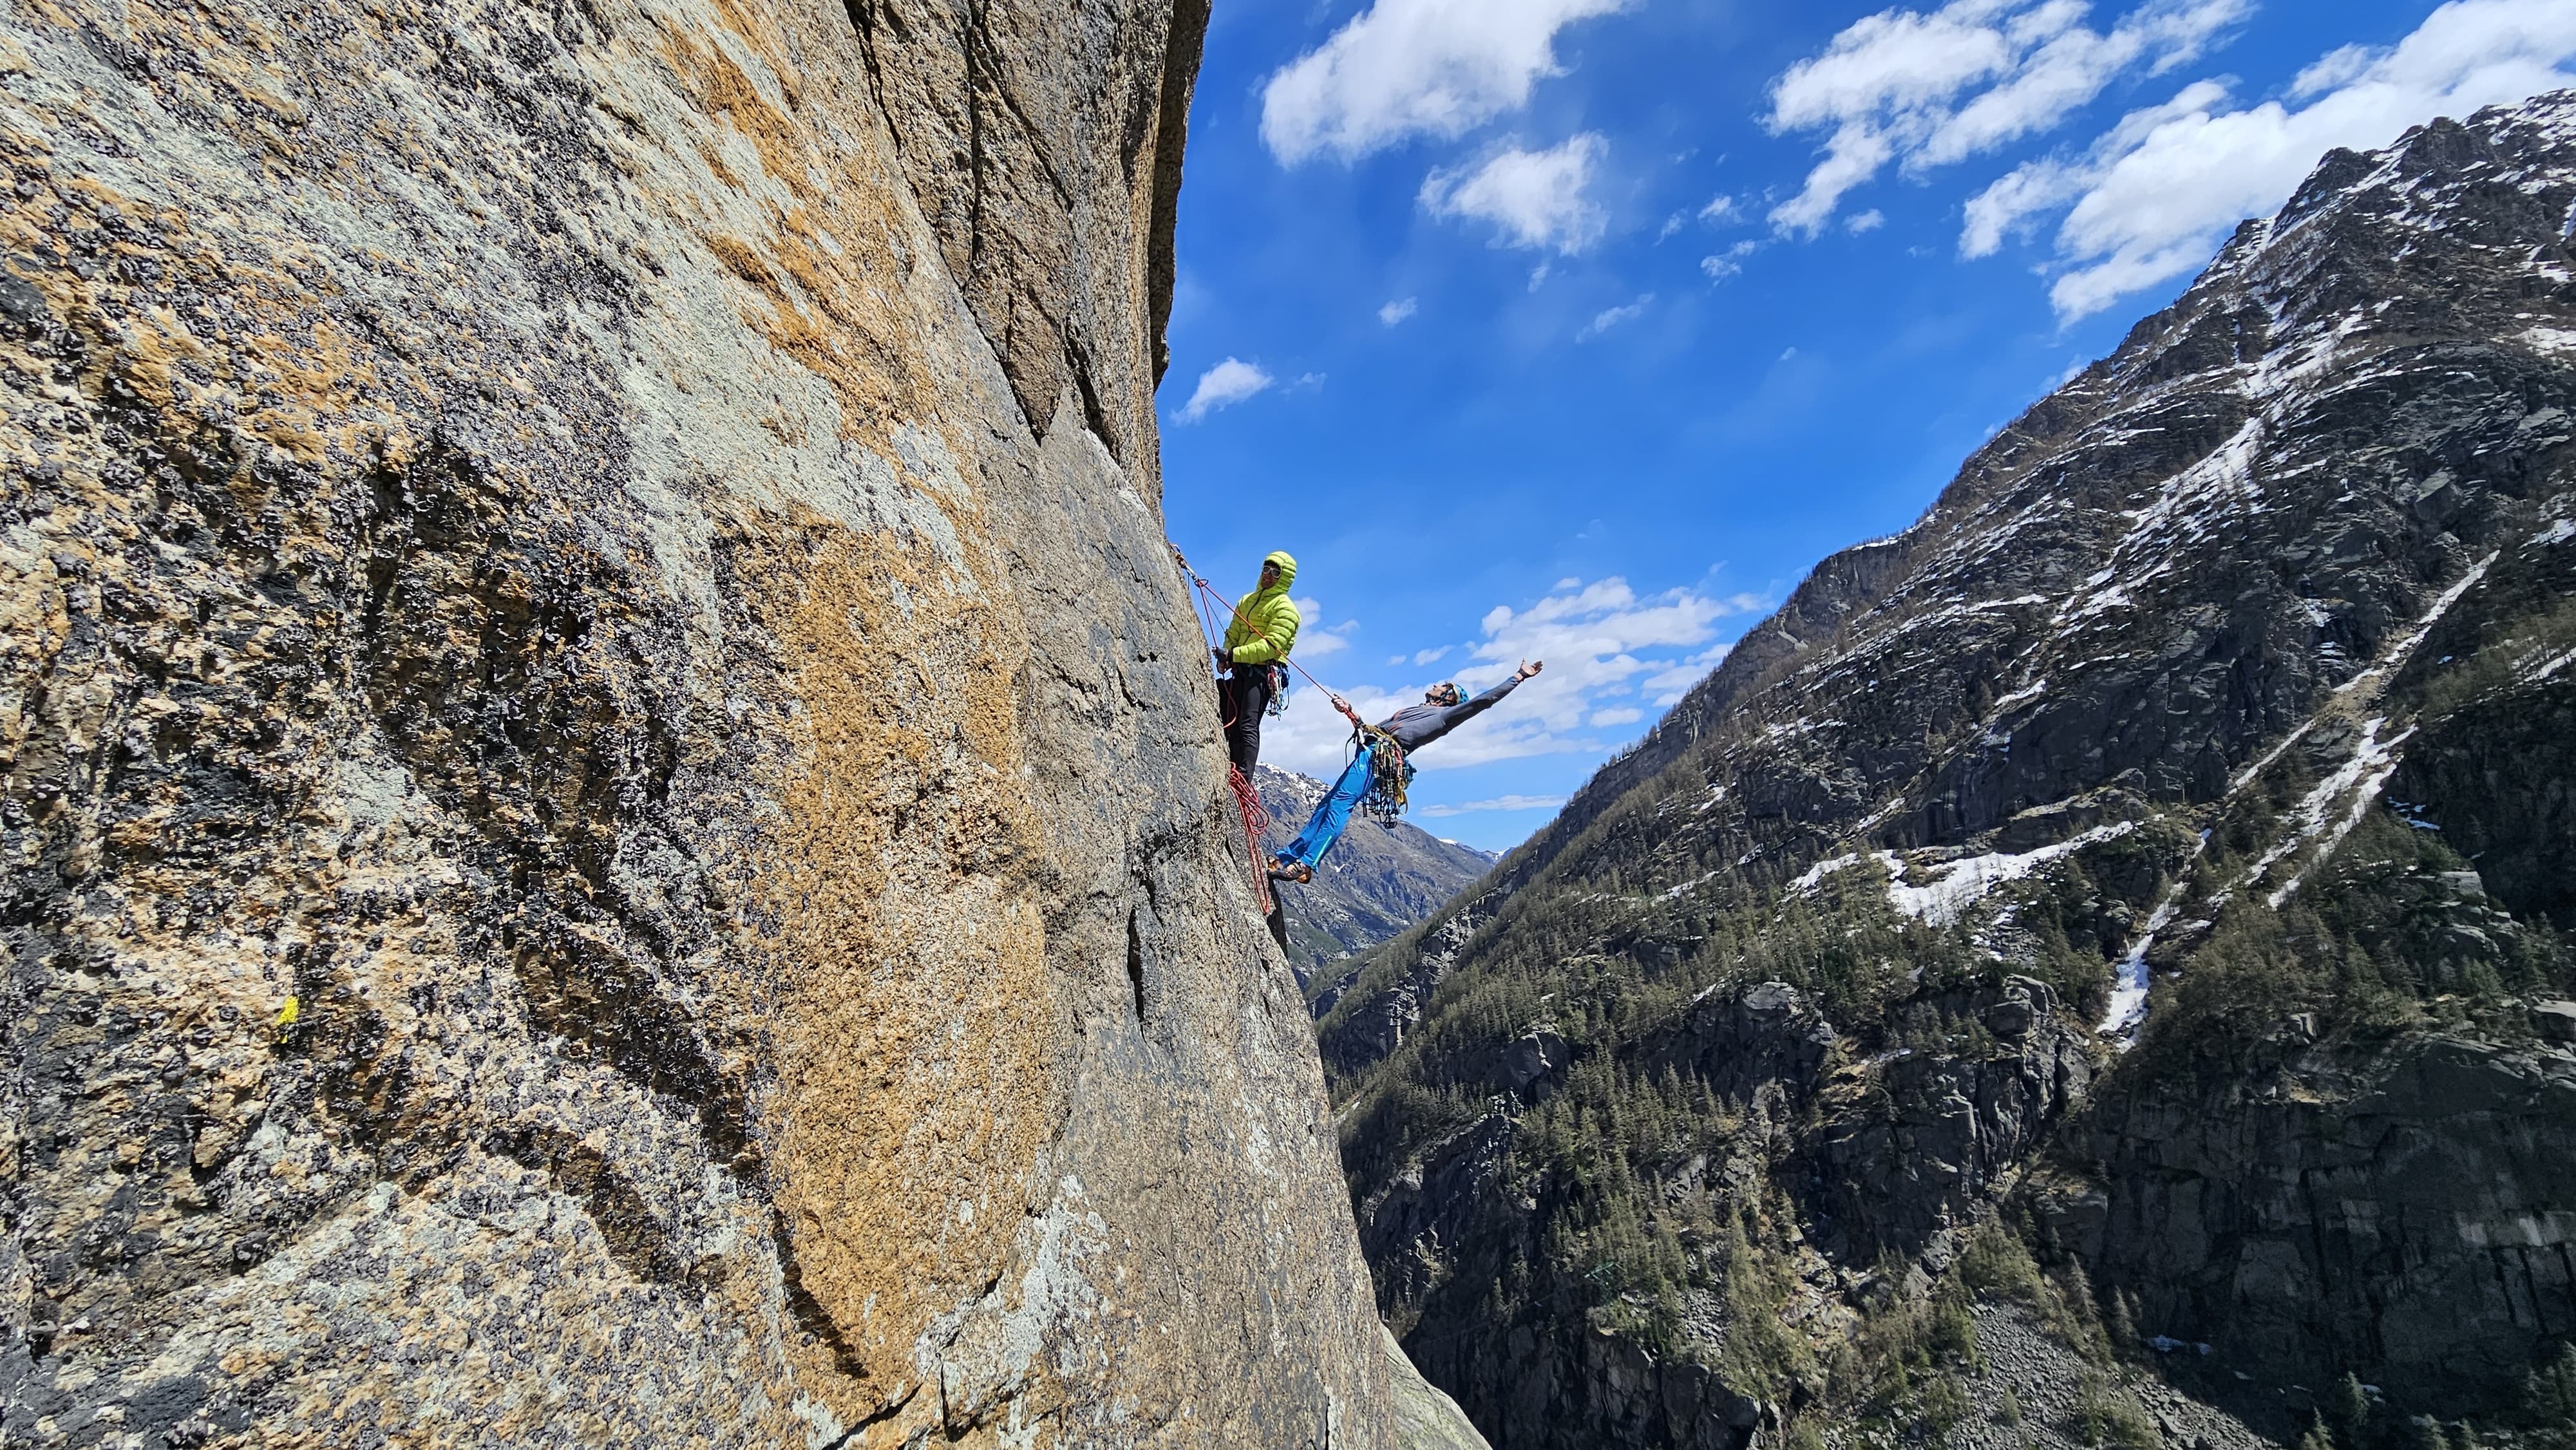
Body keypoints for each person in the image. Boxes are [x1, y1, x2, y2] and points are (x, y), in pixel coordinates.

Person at [1271, 660, 1544, 882]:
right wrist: (1351, 712)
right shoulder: (1413, 712)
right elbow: (1374, 731)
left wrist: (1517, 677)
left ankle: (1307, 863)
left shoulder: (1444, 717)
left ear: (1449, 698)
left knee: (1340, 806)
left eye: (1443, 686)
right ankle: (1288, 856)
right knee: (1327, 804)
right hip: (1371, 752)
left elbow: (1483, 702)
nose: (1436, 685)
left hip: (1378, 760)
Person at [1216, 551, 1300, 778]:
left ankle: (1244, 775)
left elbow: (1271, 647)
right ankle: (1230, 762)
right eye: (1266, 569)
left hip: (1264, 672)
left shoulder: (1286, 609)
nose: (1269, 576)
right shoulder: (1247, 601)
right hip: (1242, 666)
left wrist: (1232, 655)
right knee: (1230, 715)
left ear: (1284, 578)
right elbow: (1234, 631)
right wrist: (1227, 656)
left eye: (1276, 572)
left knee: (1247, 722)